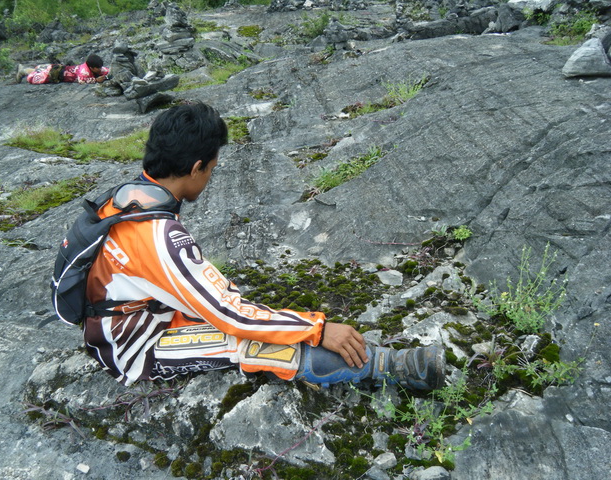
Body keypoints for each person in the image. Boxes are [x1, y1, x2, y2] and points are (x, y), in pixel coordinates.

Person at [82, 102, 446, 390]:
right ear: (196, 167)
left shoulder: (124, 200)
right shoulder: (158, 236)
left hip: (139, 315)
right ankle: (390, 366)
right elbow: (231, 315)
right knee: (263, 346)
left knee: (254, 320)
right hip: (136, 346)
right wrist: (318, 329)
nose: (210, 177)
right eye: (211, 169)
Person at [16, 54, 110, 85]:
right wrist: (96, 80)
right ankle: (22, 72)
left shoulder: (93, 66)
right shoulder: (84, 71)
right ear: (91, 68)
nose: (100, 69)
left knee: (41, 69)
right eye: (98, 68)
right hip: (56, 74)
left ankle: (24, 70)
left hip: (60, 68)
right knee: (32, 79)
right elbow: (82, 80)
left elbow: (106, 70)